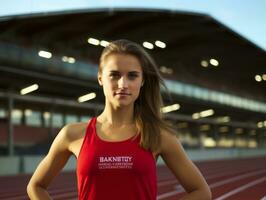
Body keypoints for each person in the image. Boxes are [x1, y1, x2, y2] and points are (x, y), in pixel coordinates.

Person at [27, 39, 212, 200]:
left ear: (143, 81)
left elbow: (201, 191)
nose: (123, 84)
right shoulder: (72, 134)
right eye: (114, 75)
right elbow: (35, 186)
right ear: (100, 78)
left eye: (132, 75)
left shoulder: (158, 135)